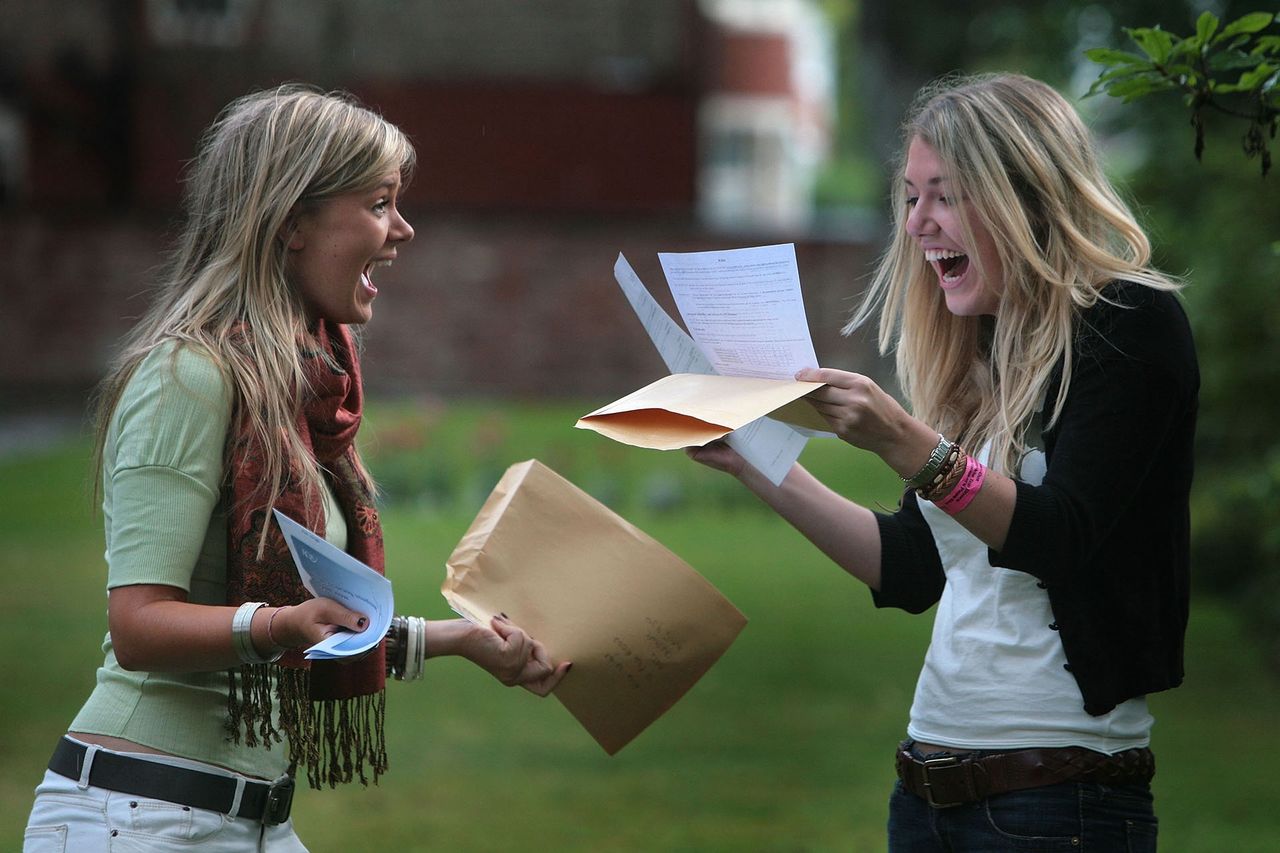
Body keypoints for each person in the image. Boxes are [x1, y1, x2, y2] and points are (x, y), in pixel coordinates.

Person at [22, 84, 570, 853]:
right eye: (380, 204)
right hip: (139, 817)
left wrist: (459, 640)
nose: (403, 230)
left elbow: (316, 624)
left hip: (247, 821)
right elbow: (139, 624)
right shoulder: (188, 374)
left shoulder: (300, 395)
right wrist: (283, 624)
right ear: (290, 225)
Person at [689, 73, 1197, 851]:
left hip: (1058, 803)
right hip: (927, 796)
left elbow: (1058, 535)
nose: (920, 224)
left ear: (1026, 197)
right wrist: (756, 463)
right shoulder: (983, 353)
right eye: (911, 197)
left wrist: (905, 439)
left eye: (947, 196)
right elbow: (912, 568)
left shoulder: (1131, 327)